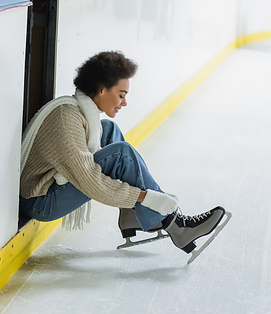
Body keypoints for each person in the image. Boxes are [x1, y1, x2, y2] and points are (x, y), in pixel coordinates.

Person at [19, 51, 226, 254]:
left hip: (48, 191)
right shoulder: (67, 119)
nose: (124, 102)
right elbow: (90, 181)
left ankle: (131, 215)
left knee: (109, 130)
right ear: (101, 90)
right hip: (40, 201)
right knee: (122, 154)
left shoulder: (77, 111)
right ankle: (177, 227)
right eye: (121, 95)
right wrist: (145, 197)